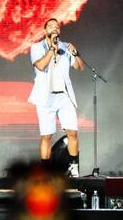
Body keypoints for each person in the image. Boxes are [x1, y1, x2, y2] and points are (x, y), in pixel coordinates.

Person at [28, 18, 84, 177]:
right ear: (45, 30)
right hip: (46, 97)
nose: (54, 28)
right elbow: (40, 65)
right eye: (51, 26)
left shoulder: (66, 47)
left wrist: (76, 53)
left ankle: (74, 166)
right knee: (47, 135)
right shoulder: (37, 47)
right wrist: (52, 49)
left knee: (72, 132)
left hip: (64, 96)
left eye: (57, 26)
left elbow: (79, 67)